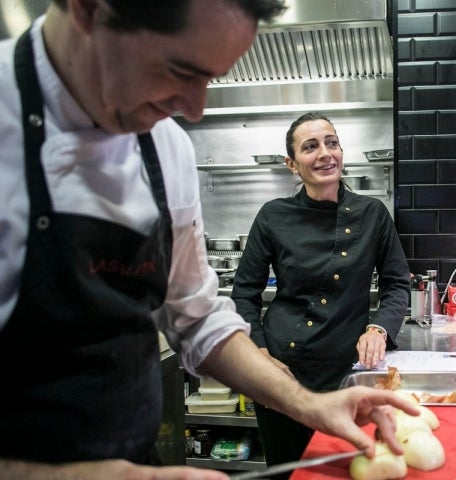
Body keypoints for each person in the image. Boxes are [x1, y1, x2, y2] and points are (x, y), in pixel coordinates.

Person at [0, 2, 419, 479]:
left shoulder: (165, 144)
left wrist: (309, 406)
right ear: (89, 8)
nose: (194, 109)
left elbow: (195, 318)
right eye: (180, 68)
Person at [230, 111, 411, 478]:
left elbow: (397, 283)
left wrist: (379, 329)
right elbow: (243, 294)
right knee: (288, 471)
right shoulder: (272, 216)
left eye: (332, 143)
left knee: (348, 469)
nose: (325, 153)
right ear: (292, 164)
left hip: (346, 373)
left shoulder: (372, 213)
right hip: (283, 372)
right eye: (310, 147)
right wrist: (260, 353)